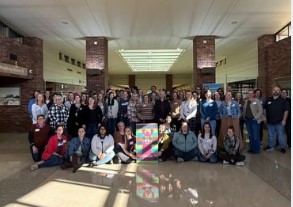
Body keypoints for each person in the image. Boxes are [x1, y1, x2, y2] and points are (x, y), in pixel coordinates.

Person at [263, 86, 289, 153]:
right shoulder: (268, 100)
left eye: (277, 90)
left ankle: (282, 147)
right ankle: (270, 146)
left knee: (280, 135)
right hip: (270, 121)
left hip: (279, 121)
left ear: (279, 92)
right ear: (272, 91)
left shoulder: (283, 101)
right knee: (270, 135)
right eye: (275, 90)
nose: (276, 91)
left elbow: (286, 111)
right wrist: (265, 117)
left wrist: (284, 120)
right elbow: (265, 109)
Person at [243, 89, 265, 154]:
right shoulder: (246, 101)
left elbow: (261, 111)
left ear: (253, 94)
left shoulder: (257, 101)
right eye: (248, 93)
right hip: (247, 121)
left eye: (251, 93)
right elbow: (244, 111)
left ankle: (256, 150)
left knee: (255, 136)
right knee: (250, 135)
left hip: (254, 121)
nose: (250, 94)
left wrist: (256, 118)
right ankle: (252, 148)